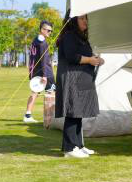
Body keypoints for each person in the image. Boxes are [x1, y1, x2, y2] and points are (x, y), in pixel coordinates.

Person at [55, 14, 104, 158]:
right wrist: (90, 60)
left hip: (80, 78)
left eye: (86, 18)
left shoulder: (80, 37)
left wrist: (96, 59)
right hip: (71, 79)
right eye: (82, 18)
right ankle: (69, 148)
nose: (85, 21)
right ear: (73, 20)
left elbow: (85, 55)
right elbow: (71, 56)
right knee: (73, 112)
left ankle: (78, 145)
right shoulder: (69, 36)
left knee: (78, 112)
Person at [24, 20, 55, 123]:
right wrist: (45, 75)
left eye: (51, 31)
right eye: (48, 30)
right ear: (42, 29)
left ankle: (27, 115)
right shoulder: (42, 42)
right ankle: (50, 119)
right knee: (51, 93)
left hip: (36, 71)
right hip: (45, 73)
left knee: (35, 93)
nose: (50, 32)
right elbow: (43, 60)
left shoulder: (35, 40)